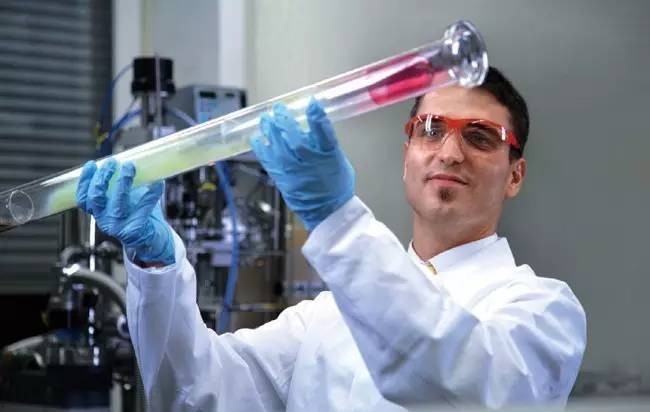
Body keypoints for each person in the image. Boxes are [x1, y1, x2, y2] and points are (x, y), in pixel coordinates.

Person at [76, 67, 586, 411]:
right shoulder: (327, 315)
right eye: (431, 129)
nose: (449, 152)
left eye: (480, 136)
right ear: (407, 153)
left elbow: (460, 386)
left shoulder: (542, 311)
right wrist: (156, 264)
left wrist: (337, 219)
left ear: (515, 175)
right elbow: (197, 393)